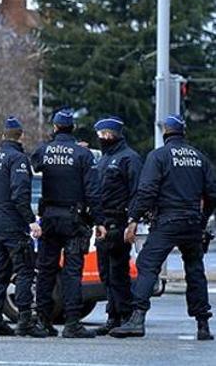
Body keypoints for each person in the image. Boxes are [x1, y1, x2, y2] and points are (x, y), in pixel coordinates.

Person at [110, 115, 216, 340]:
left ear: (165, 133)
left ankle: (137, 319)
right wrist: (202, 219)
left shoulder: (158, 156)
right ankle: (203, 324)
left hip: (167, 221)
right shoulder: (199, 157)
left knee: (147, 264)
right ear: (183, 133)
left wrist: (134, 218)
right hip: (192, 223)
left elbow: (147, 191)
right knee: (195, 270)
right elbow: (213, 194)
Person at [30, 108, 103, 338]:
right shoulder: (83, 155)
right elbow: (93, 191)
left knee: (45, 271)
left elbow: (33, 165)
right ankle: (72, 323)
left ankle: (42, 321)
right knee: (72, 272)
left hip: (49, 219)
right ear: (73, 128)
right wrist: (98, 220)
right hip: (74, 220)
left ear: (54, 128)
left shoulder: (44, 150)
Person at [0, 116, 47, 338]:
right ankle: (24, 321)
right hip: (13, 224)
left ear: (3, 135)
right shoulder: (18, 159)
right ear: (21, 135)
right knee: (24, 271)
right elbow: (19, 194)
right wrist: (31, 221)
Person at [92, 116, 142, 336]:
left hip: (119, 223)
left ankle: (125, 315)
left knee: (118, 273)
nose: (101, 138)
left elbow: (136, 192)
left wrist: (133, 221)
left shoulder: (129, 158)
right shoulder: (104, 159)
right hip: (103, 223)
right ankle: (113, 315)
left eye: (104, 134)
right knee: (106, 273)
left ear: (114, 134)